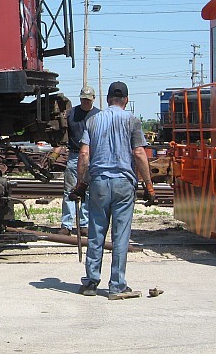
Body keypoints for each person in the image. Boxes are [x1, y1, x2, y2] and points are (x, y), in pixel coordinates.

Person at [70, 81, 156, 300]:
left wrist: (81, 184)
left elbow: (84, 155)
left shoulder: (93, 120)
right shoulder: (132, 121)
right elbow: (138, 153)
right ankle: (117, 286)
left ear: (107, 99)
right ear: (126, 100)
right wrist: (149, 185)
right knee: (120, 235)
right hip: (123, 184)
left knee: (96, 232)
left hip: (98, 183)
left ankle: (90, 282)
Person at [58, 86, 99, 236]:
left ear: (93, 98)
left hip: (92, 157)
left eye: (88, 100)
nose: (85, 102)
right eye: (83, 99)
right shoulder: (71, 114)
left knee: (88, 192)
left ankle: (84, 224)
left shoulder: (98, 115)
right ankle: (66, 225)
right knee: (69, 190)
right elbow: (63, 134)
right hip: (74, 156)